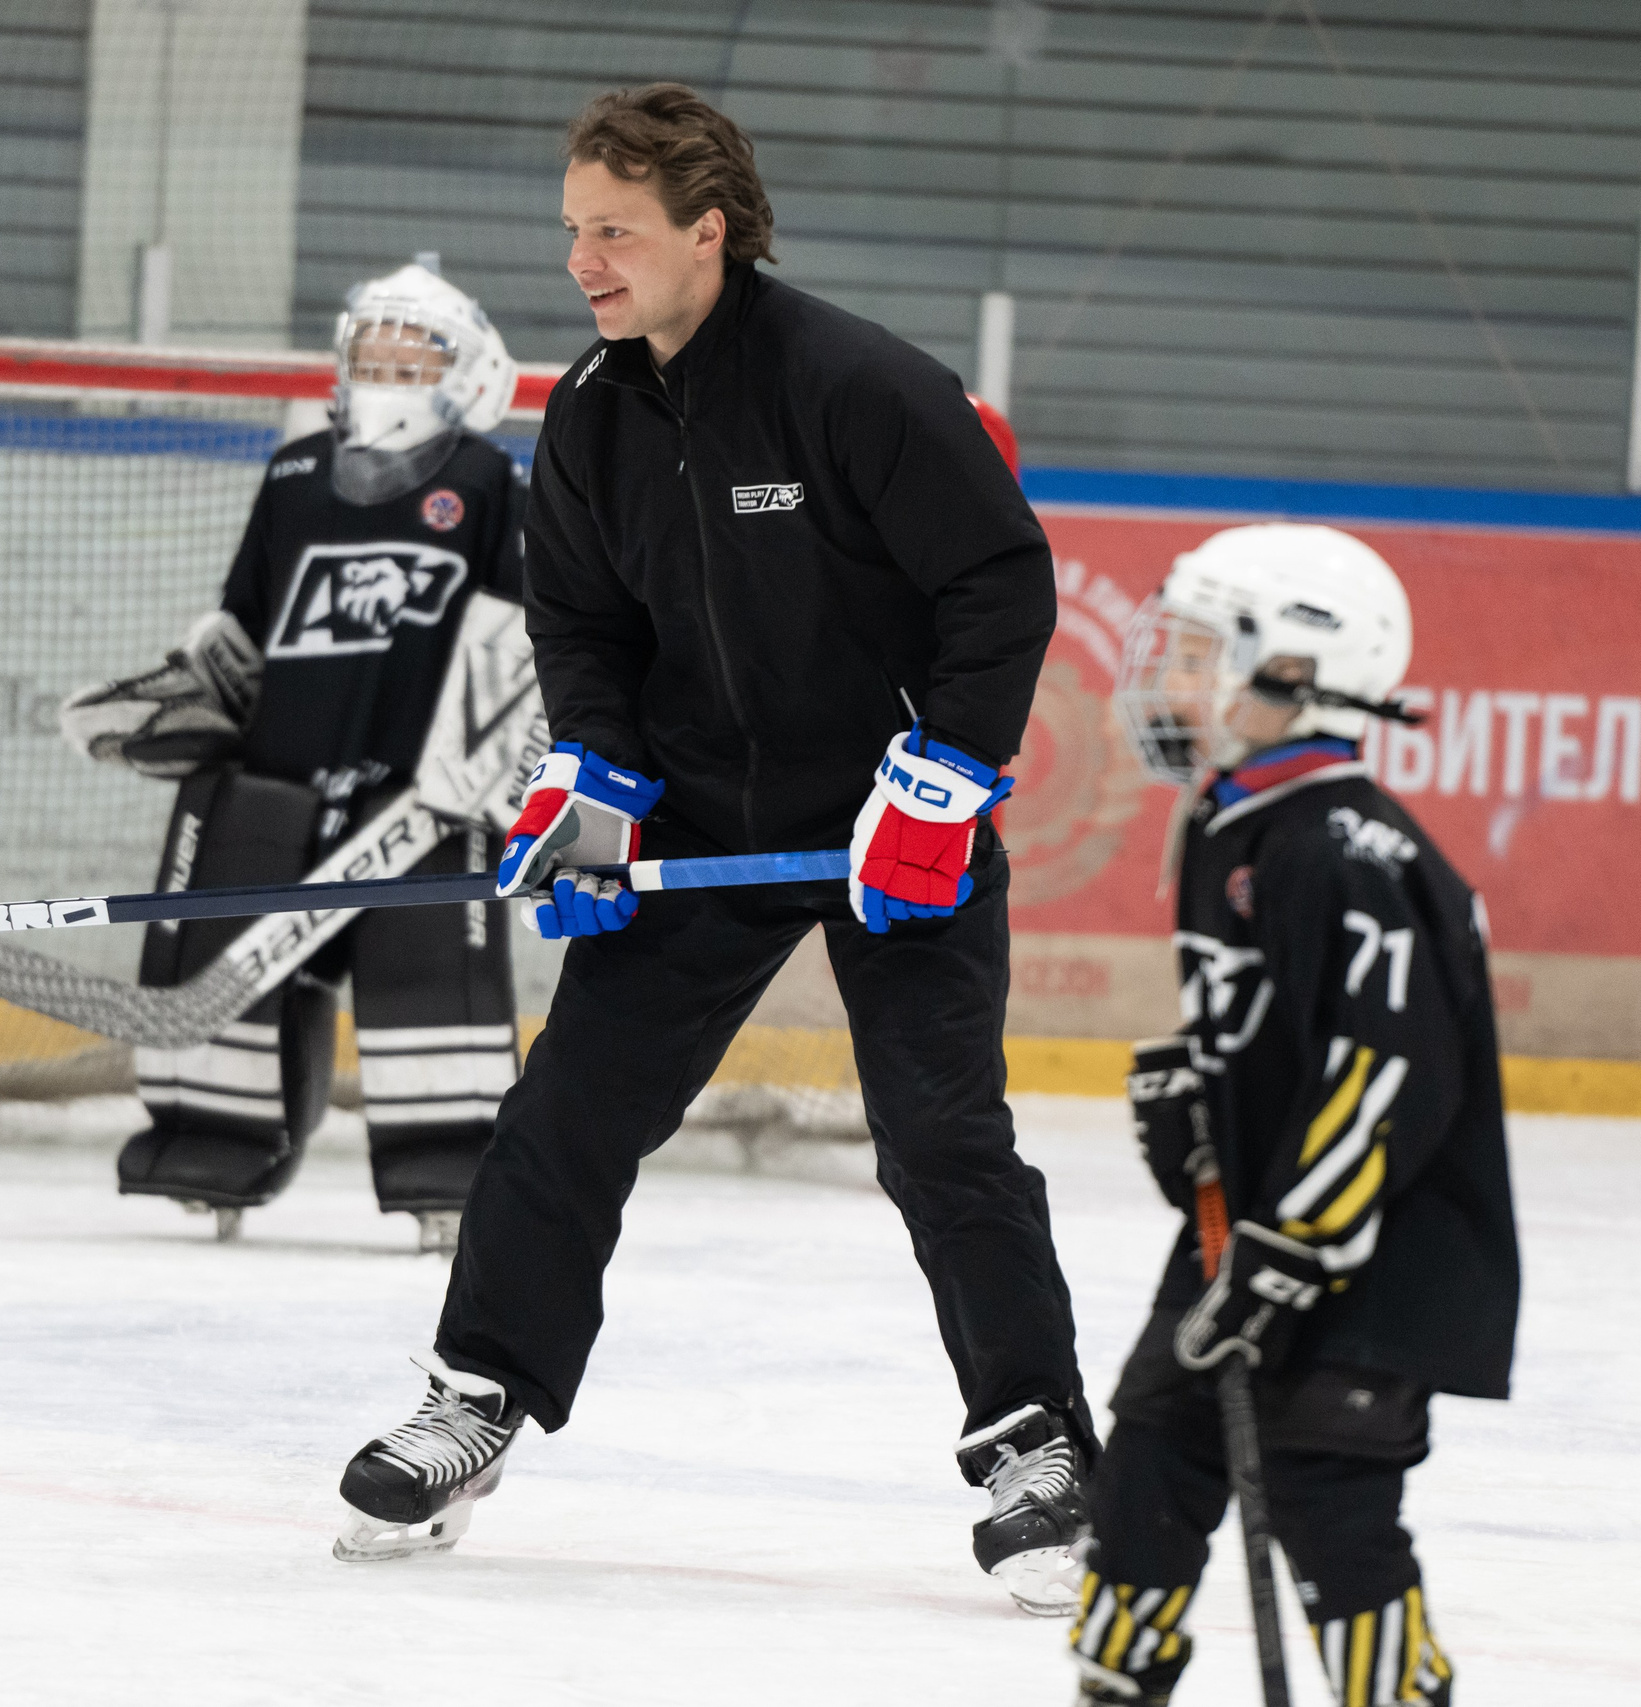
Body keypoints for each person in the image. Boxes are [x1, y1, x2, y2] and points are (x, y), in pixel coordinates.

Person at [330, 84, 1095, 1616]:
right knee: (566, 1111)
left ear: (708, 233)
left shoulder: (855, 385)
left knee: (940, 1136)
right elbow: (585, 623)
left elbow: (1000, 583)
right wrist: (596, 774)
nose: (584, 263)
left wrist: (943, 778)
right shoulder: (599, 416)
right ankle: (476, 1392)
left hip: (892, 820)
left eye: (613, 231)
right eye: (573, 231)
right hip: (705, 827)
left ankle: (1045, 1446)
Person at [1072, 523, 1521, 1705]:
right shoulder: (1232, 820)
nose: (1170, 679)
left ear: (1293, 675)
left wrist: (1283, 1260)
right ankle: (1116, 1685)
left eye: (1199, 653)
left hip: (1360, 1266)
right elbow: (1279, 1040)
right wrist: (1202, 1103)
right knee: (1145, 1475)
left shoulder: (1347, 849)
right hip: (1247, 1241)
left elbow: (1386, 1079)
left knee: (1329, 1505)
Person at [59, 263, 528, 1251]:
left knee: (428, 983)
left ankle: (448, 1178)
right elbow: (245, 624)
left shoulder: (488, 483)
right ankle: (210, 1158)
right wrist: (199, 695)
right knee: (227, 961)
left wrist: (511, 757)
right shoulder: (293, 473)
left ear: (468, 368)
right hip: (281, 779)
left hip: (424, 798)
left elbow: (519, 636)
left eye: (416, 349)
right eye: (374, 347)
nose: (390, 365)